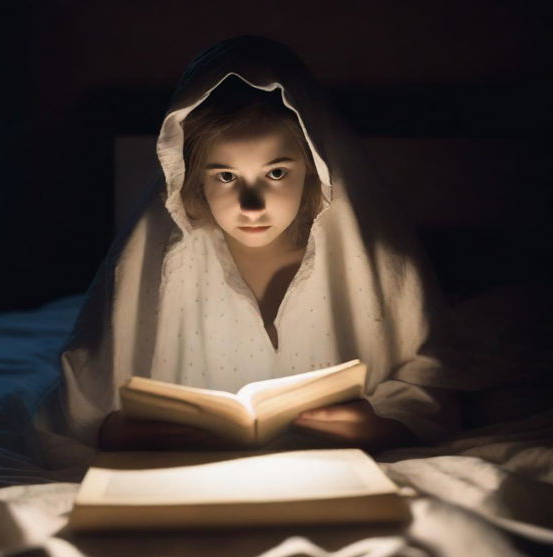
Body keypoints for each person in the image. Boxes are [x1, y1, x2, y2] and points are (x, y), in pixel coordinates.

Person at [40, 37, 459, 454]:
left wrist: (380, 428)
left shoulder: (379, 264)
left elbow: (432, 386)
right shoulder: (148, 264)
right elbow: (85, 398)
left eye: (276, 173)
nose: (251, 205)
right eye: (225, 176)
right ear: (192, 178)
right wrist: (118, 431)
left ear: (314, 169)